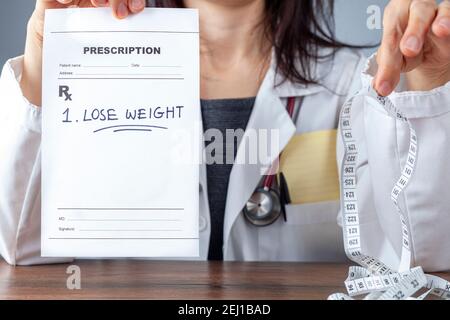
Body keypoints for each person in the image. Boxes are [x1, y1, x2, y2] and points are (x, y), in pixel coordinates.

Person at [0, 0, 449, 270]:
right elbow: (25, 250)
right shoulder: (96, 75)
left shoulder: (362, 86)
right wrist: (47, 63)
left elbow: (421, 263)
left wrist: (432, 78)